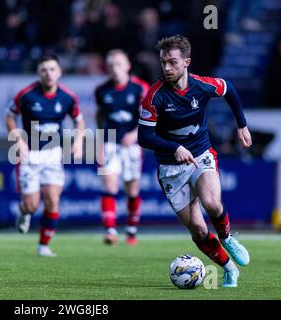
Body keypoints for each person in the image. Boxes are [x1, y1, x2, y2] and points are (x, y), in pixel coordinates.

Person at [138, 35, 252, 288]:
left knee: (212, 202)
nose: (167, 68)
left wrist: (242, 125)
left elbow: (229, 89)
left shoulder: (202, 86)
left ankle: (227, 238)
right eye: (163, 62)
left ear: (187, 62)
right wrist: (174, 147)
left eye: (173, 62)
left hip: (201, 154)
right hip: (170, 167)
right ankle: (229, 268)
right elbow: (143, 137)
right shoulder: (154, 97)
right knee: (199, 231)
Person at [6, 54, 85, 257]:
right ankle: (24, 212)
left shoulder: (67, 97)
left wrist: (77, 141)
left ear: (59, 72)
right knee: (32, 205)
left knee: (52, 200)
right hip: (30, 155)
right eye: (44, 70)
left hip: (53, 154)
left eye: (52, 69)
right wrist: (18, 140)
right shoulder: (26, 95)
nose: (48, 74)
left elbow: (79, 121)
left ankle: (43, 245)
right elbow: (9, 117)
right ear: (38, 73)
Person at [94, 49, 149, 246]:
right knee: (109, 185)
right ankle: (110, 230)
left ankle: (132, 230)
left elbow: (149, 117)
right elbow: (100, 116)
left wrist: (134, 134)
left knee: (131, 189)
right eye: (110, 65)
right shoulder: (101, 90)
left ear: (127, 66)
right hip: (110, 142)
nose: (114, 69)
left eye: (118, 64)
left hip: (132, 145)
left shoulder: (140, 88)